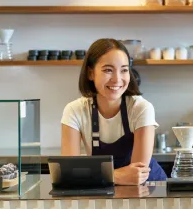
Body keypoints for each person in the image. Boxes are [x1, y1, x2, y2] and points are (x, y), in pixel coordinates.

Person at [60, 38, 167, 185]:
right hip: (103, 191)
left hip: (149, 191)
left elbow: (137, 175)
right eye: (108, 70)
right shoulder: (75, 111)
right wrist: (115, 175)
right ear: (91, 73)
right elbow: (69, 173)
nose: (117, 79)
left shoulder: (141, 108)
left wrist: (92, 175)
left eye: (124, 70)